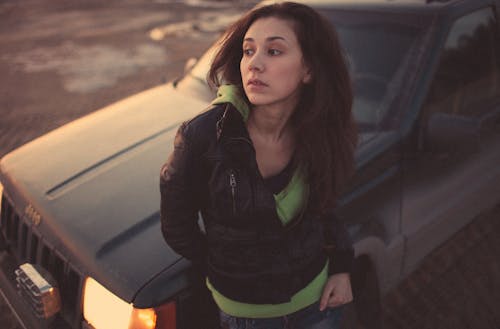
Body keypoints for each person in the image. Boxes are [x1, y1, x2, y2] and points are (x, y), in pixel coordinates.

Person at [160, 2, 358, 328]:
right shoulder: (203, 137)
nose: (255, 64)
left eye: (274, 51)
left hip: (318, 303)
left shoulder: (321, 132)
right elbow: (177, 227)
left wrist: (341, 267)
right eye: (248, 51)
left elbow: (326, 207)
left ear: (308, 69)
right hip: (244, 317)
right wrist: (225, 265)